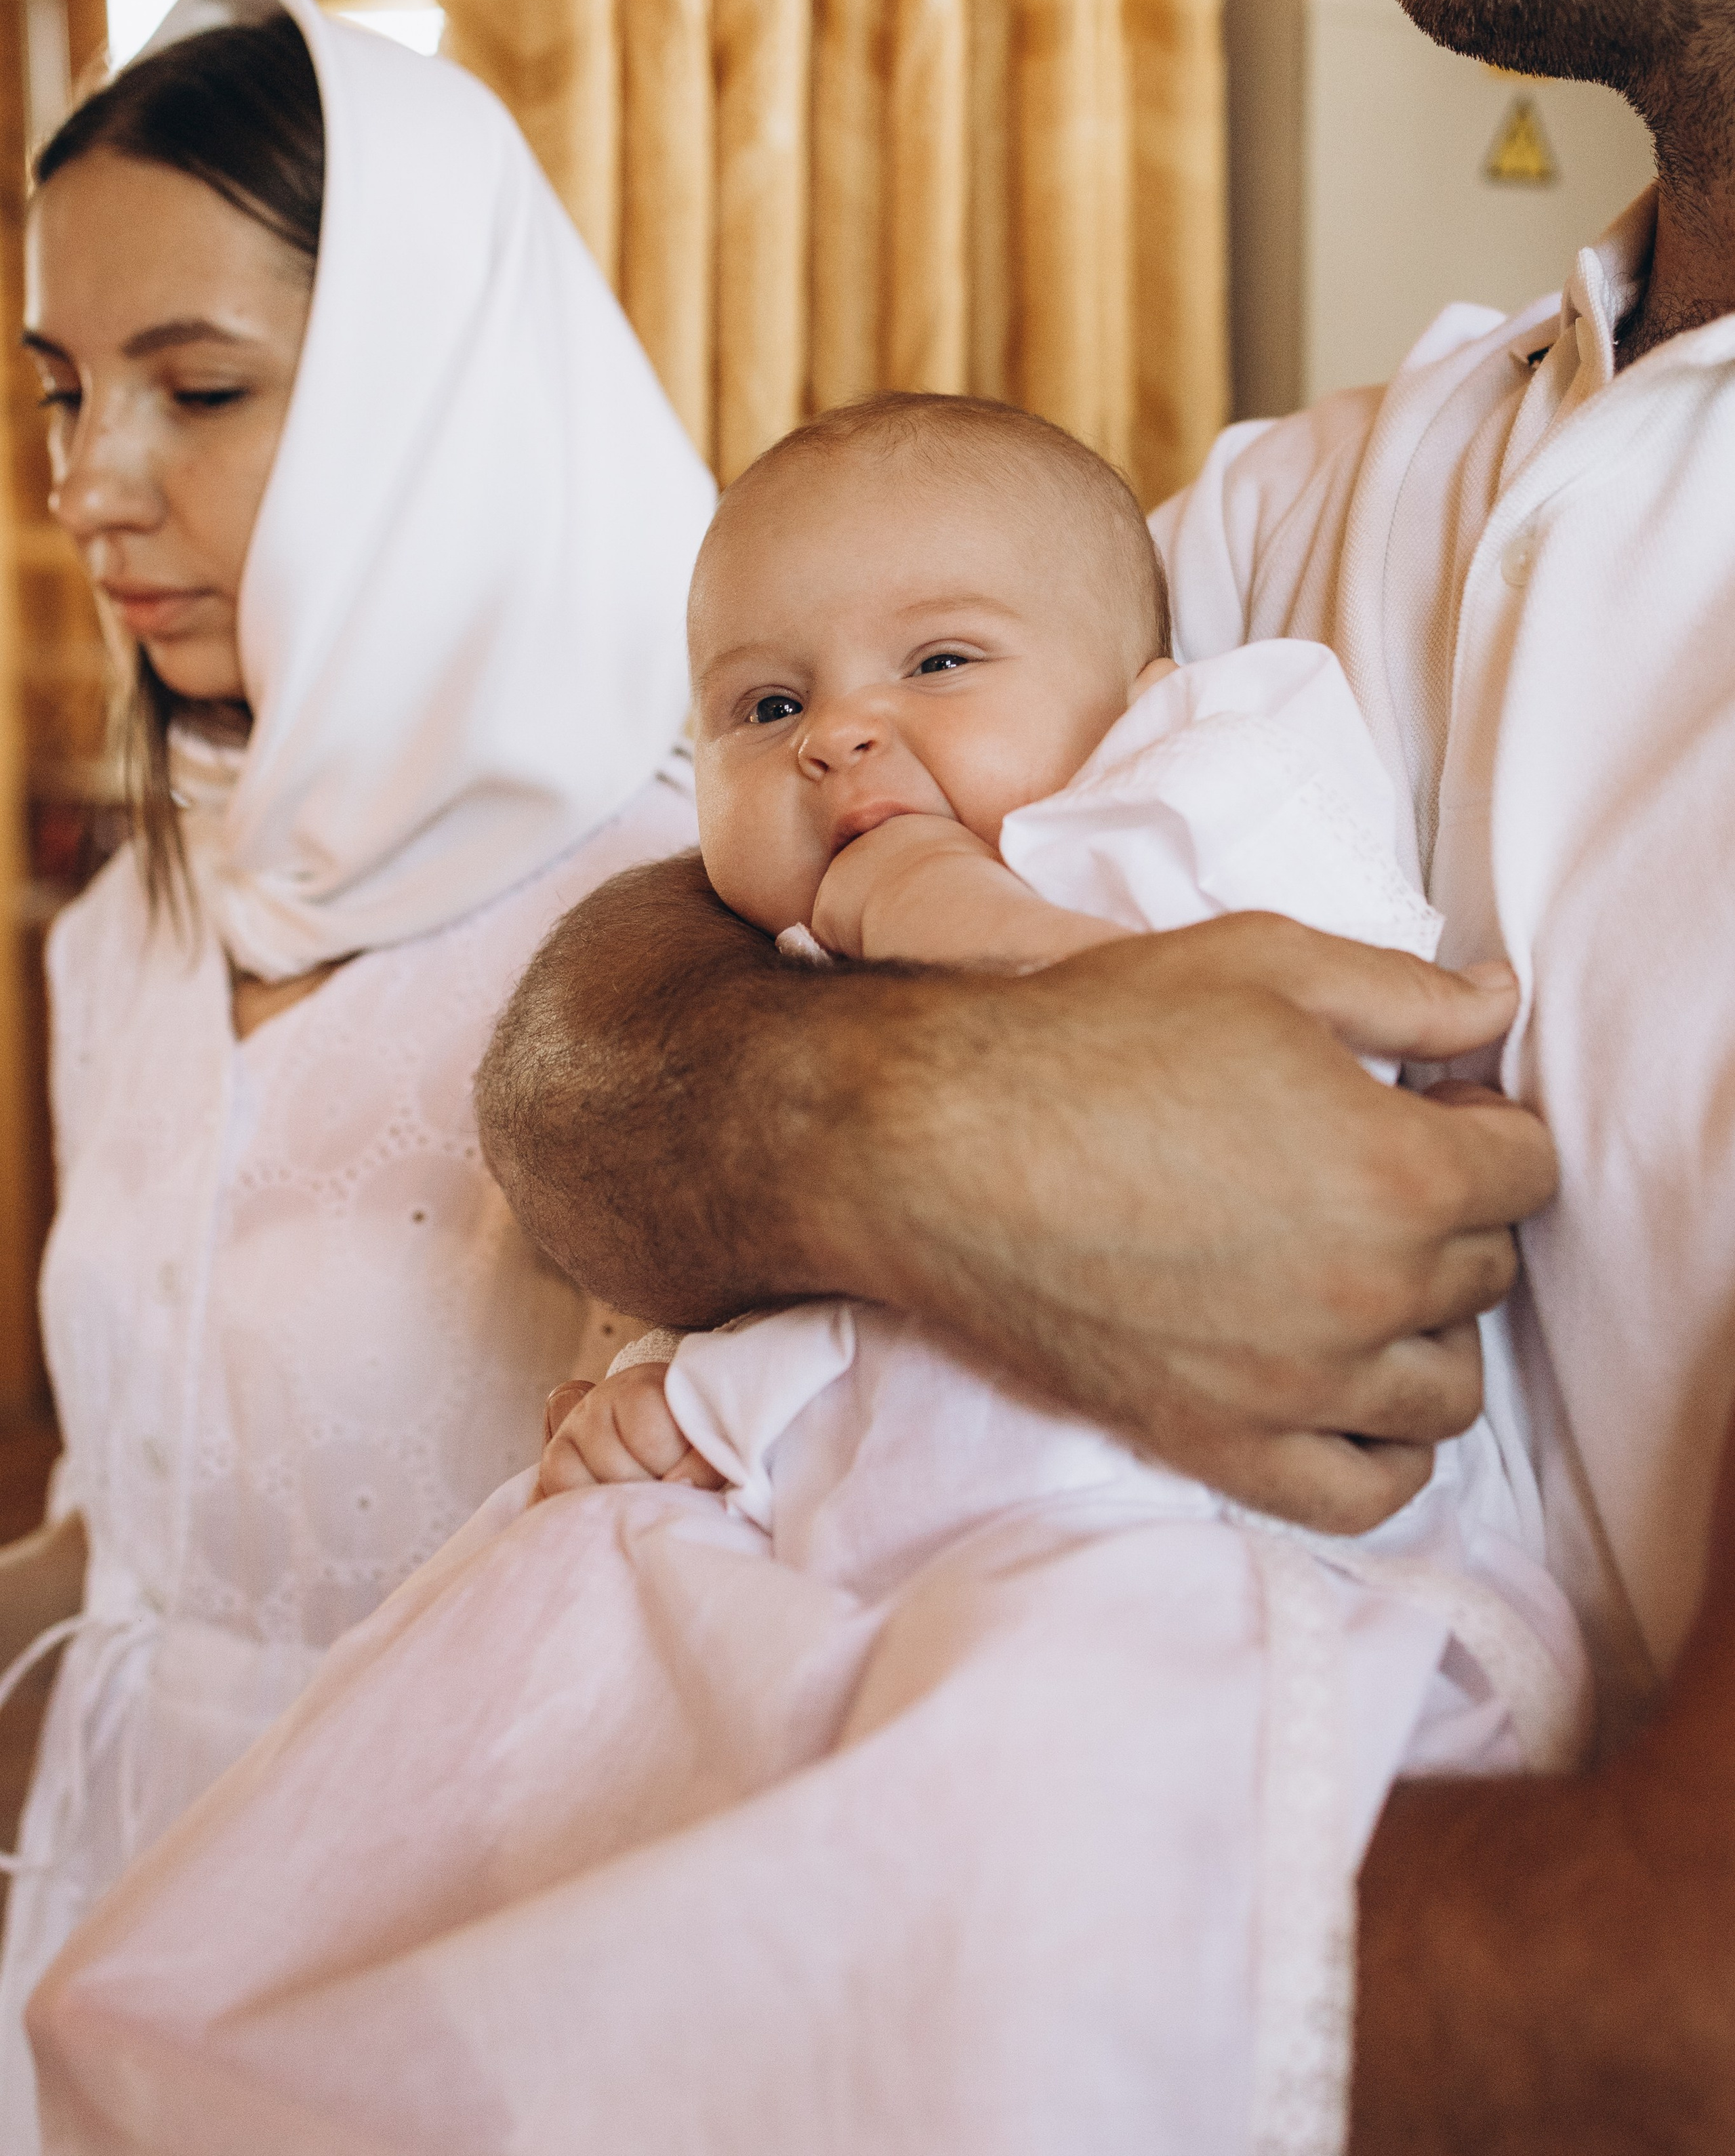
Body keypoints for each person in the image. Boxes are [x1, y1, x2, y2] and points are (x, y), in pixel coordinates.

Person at [474, 0, 1735, 2142]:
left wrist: (601, 1945)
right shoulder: (1323, 503)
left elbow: (1680, 1999)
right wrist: (944, 1130)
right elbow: (598, 1001)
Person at [22, 397, 1586, 2156]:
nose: (844, 732)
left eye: (936, 660)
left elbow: (1248, 1052)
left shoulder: (1215, 757)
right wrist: (694, 1398)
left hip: (1165, 1579)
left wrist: (932, 907)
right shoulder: (799, 905)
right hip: (875, 1548)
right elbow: (866, 1309)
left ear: (1144, 687)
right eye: (767, 706)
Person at [0, 0, 713, 2151]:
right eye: (58, 390)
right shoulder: (133, 923)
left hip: (451, 2002)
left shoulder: (663, 912)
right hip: (96, 1953)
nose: (89, 486)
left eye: (196, 388)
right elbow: (132, 1527)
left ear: (431, 400)